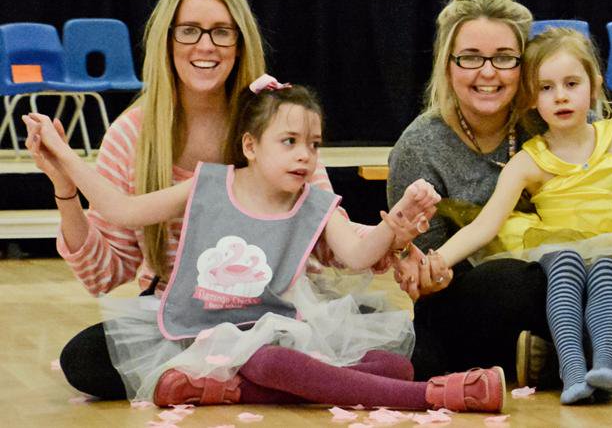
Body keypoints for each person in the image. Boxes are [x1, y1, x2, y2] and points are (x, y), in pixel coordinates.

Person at [23, 81, 502, 412]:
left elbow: (357, 255)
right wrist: (64, 159)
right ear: (251, 146)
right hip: (200, 329)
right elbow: (120, 209)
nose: (304, 155)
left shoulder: (313, 201)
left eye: (313, 145)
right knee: (279, 363)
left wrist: (395, 225)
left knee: (391, 362)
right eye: (289, 141)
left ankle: (228, 392)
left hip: (277, 328)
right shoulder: (207, 186)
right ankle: (433, 396)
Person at [46, 0, 371, 400]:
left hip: (284, 311)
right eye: (189, 31)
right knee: (85, 360)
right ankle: (276, 380)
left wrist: (391, 240)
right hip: (186, 319)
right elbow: (105, 274)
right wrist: (65, 189)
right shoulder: (130, 135)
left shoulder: (275, 122)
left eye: (221, 32)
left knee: (396, 345)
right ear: (167, 40)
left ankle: (221, 382)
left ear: (239, 43)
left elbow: (329, 236)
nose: (206, 46)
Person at [414, 28, 612, 405]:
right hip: (561, 252)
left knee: (606, 269)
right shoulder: (529, 160)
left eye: (571, 83)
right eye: (545, 88)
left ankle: (607, 363)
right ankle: (572, 367)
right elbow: (485, 224)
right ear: (530, 98)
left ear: (594, 85)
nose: (560, 96)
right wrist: (437, 260)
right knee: (565, 266)